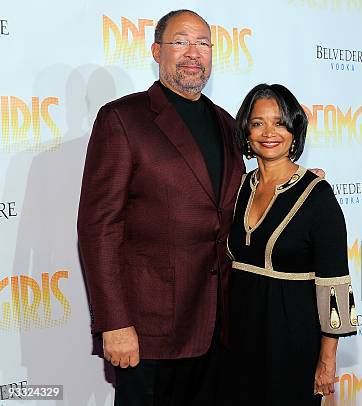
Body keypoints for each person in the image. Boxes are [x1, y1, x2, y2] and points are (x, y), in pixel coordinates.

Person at [77, 9, 245, 405]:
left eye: (203, 43)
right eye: (181, 41)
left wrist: (297, 180)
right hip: (148, 332)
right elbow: (99, 227)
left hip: (217, 328)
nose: (193, 53)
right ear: (156, 51)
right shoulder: (123, 118)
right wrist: (114, 323)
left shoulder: (228, 124)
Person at [228, 83, 357, 405]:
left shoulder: (318, 195)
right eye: (258, 123)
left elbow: (335, 284)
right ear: (246, 131)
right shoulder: (241, 186)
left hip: (292, 341)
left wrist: (327, 362)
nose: (269, 132)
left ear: (295, 130)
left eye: (280, 122)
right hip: (237, 338)